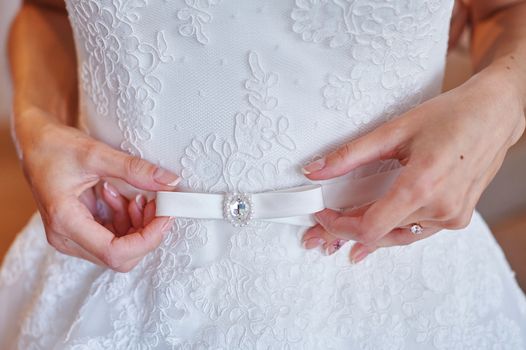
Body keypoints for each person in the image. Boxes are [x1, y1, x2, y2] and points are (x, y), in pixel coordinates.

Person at [1, 0, 525, 348]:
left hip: (393, 282)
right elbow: (45, 11)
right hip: (111, 267)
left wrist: (506, 99)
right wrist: (35, 125)